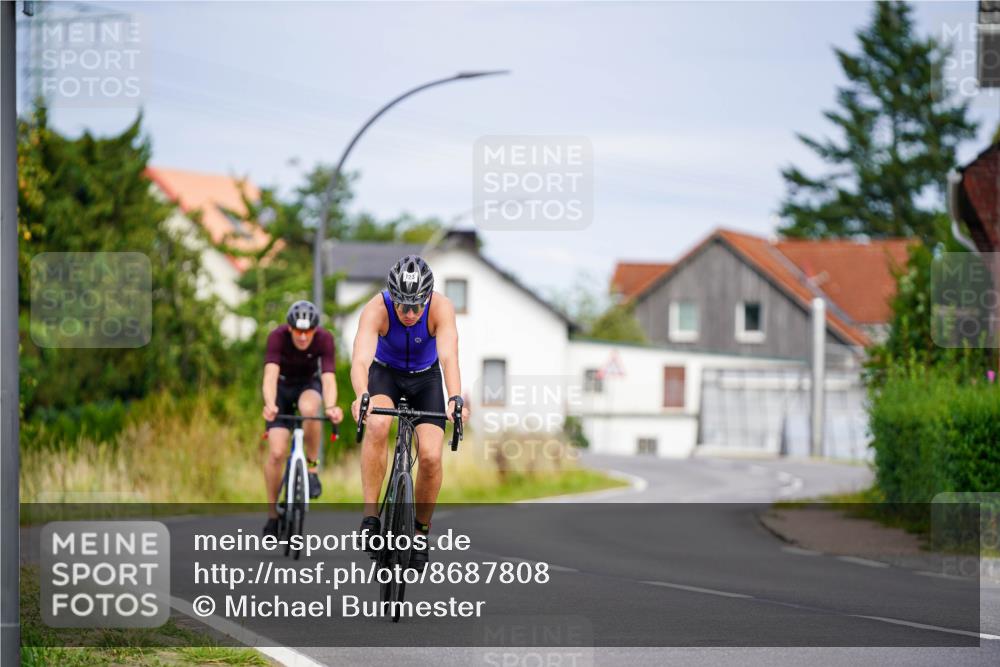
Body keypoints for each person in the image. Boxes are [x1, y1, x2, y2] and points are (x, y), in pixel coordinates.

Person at [350, 255, 469, 571]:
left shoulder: (441, 308)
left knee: (430, 456)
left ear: (428, 297)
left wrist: (455, 397)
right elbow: (361, 359)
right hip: (385, 375)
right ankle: (371, 516)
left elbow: (449, 357)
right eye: (403, 305)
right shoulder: (375, 309)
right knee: (377, 425)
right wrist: (362, 394)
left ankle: (420, 532)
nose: (410, 313)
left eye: (417, 306)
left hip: (426, 379)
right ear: (392, 297)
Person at [261, 300, 343, 537]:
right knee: (276, 452)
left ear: (315, 330)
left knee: (310, 409)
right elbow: (269, 376)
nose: (304, 337)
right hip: (282, 387)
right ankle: (273, 516)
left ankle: (312, 469)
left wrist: (331, 406)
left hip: (308, 385)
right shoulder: (277, 337)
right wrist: (269, 404)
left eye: (308, 331)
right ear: (290, 328)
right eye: (299, 331)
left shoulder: (325, 339)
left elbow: (328, 378)